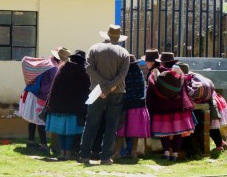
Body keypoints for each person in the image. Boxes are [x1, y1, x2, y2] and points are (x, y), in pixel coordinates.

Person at [79, 24, 130, 165]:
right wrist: (109, 87)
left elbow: (89, 68)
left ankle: (84, 155)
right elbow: (122, 74)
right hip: (117, 91)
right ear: (119, 38)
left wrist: (103, 86)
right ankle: (106, 157)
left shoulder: (94, 48)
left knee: (91, 123)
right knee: (111, 125)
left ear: (107, 36)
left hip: (96, 91)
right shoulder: (124, 53)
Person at [19, 47, 71, 153]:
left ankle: (31, 140)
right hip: (39, 96)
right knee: (41, 120)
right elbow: (48, 88)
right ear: (61, 60)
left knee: (32, 119)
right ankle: (43, 144)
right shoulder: (54, 69)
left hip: (31, 92)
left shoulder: (48, 62)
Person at [146, 52, 195, 162]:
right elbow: (185, 89)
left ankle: (166, 152)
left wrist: (149, 107)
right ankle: (176, 154)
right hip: (178, 106)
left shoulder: (157, 73)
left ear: (161, 61)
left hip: (162, 107)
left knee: (165, 133)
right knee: (178, 132)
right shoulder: (179, 73)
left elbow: (151, 90)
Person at [45, 50, 90, 160]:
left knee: (61, 132)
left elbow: (54, 89)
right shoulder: (82, 72)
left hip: (58, 107)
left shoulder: (62, 69)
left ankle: (62, 152)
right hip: (73, 109)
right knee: (70, 132)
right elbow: (86, 90)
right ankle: (69, 153)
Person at [178, 62, 227, 152]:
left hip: (208, 100)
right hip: (212, 98)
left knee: (210, 125)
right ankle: (221, 143)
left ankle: (219, 146)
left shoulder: (186, 79)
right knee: (211, 124)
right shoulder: (194, 75)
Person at [113, 54, 151, 159]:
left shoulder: (124, 74)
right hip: (139, 105)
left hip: (125, 105)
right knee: (135, 131)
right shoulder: (139, 72)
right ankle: (133, 152)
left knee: (121, 131)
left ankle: (117, 153)